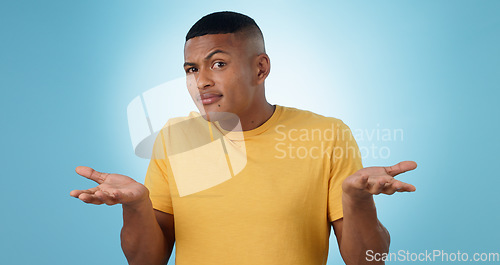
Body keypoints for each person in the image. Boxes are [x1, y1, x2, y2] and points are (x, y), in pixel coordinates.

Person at [70, 11, 417, 265]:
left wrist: (356, 201)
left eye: (217, 64)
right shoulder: (174, 138)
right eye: (192, 69)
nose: (201, 80)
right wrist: (136, 206)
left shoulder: (326, 135)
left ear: (260, 68)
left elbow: (368, 261)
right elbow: (147, 261)